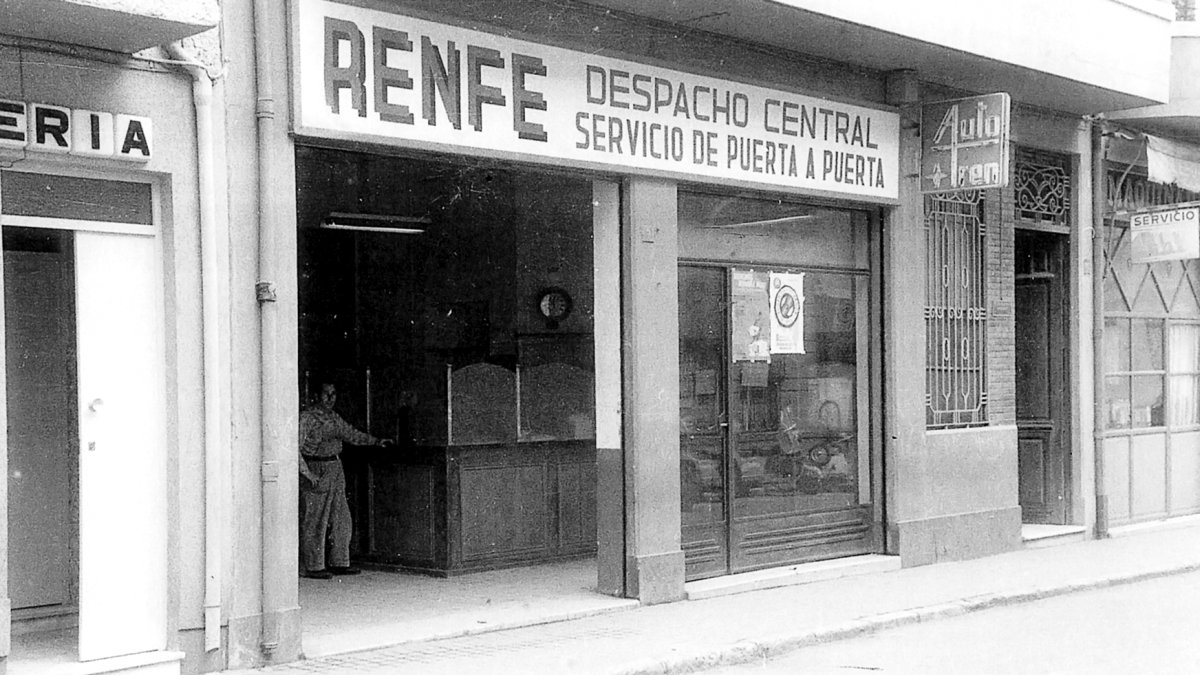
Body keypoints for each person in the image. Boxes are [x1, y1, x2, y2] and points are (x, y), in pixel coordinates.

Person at [299, 381, 393, 579]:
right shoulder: (307, 417)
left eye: (334, 394)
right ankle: (314, 566)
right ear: (317, 395)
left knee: (341, 517)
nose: (331, 398)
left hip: (335, 467)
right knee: (316, 519)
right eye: (326, 394)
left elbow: (350, 434)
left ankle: (340, 561)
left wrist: (376, 441)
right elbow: (294, 448)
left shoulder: (333, 417)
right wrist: (307, 473)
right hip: (316, 468)